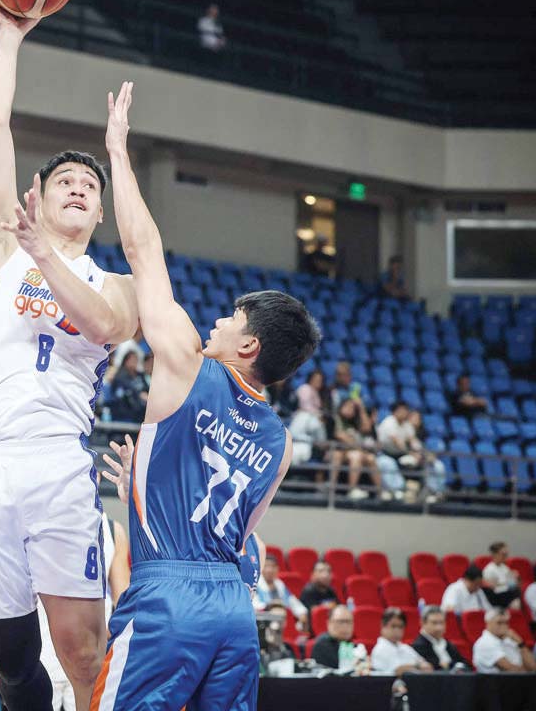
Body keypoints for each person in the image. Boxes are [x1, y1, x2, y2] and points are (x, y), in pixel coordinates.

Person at [90, 82, 318, 710]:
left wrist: (118, 150)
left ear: (248, 347)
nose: (217, 322)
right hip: (233, 608)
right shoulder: (282, 441)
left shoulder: (190, 363)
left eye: (231, 319)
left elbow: (143, 251)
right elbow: (240, 531)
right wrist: (147, 482)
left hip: (169, 595)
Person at [0, 0, 140, 711]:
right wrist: (8, 36)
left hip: (58, 462)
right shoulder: (0, 243)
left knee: (82, 648)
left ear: (97, 212)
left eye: (90, 187)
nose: (78, 188)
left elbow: (104, 327)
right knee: (14, 657)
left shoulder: (113, 280)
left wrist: (46, 256)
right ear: (44, 194)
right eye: (66, 179)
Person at [37, 512, 130, 711]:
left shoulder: (112, 530)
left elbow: (124, 605)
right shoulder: (36, 517)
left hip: (91, 663)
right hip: (41, 658)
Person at [375, 401, 445, 500]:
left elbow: (413, 442)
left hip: (401, 455)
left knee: (435, 464)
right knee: (388, 463)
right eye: (401, 410)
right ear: (395, 411)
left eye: (405, 410)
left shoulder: (407, 425)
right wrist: (412, 454)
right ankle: (397, 491)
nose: (404, 412)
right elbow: (398, 443)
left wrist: (424, 454)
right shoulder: (388, 423)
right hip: (386, 454)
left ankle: (434, 492)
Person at [331, 398, 386, 501]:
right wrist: (358, 447)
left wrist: (361, 408)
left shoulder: (354, 422)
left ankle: (380, 492)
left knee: (370, 458)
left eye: (352, 408)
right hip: (338, 451)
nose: (350, 409)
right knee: (356, 456)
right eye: (347, 406)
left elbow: (367, 428)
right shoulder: (336, 419)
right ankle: (352, 490)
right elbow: (340, 436)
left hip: (353, 451)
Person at [472, 609, 536, 673]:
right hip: (498, 681)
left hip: (519, 679)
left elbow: (533, 666)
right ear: (488, 623)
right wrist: (530, 671)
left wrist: (520, 643)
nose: (504, 626)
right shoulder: (485, 643)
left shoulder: (510, 640)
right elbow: (512, 670)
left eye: (506, 623)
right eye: (499, 623)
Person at [253, 555, 309, 627]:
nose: (270, 570)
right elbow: (254, 606)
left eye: (273, 566)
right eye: (266, 566)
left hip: (282, 619)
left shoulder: (280, 584)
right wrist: (271, 605)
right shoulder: (255, 584)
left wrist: (302, 613)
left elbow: (292, 601)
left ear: (277, 569)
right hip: (262, 623)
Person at [371, 607, 431, 675]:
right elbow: (398, 671)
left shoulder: (405, 648)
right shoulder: (380, 649)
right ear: (383, 626)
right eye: (393, 626)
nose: (397, 630)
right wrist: (417, 666)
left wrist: (418, 666)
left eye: (400, 627)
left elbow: (427, 666)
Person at [310, 605, 368, 674]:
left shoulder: (355, 646)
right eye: (341, 621)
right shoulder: (321, 646)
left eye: (349, 622)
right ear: (329, 623)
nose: (345, 626)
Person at [411, 606, 468, 671]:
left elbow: (465, 664)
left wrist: (448, 665)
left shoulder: (447, 643)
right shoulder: (418, 646)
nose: (439, 628)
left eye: (441, 622)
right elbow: (435, 669)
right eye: (434, 623)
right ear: (423, 623)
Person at [108, 351, 150, 423]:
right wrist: (140, 394)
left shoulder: (140, 375)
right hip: (124, 411)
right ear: (126, 361)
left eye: (136, 359)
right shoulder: (120, 375)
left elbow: (147, 388)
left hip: (140, 410)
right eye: (132, 359)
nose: (135, 362)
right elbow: (128, 387)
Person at [481, 541, 522, 609]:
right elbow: (492, 588)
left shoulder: (505, 567)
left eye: (506, 554)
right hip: (497, 598)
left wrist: (517, 578)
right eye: (503, 554)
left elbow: (514, 584)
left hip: (508, 594)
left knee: (517, 592)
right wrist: (506, 583)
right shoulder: (489, 569)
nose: (506, 557)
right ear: (494, 554)